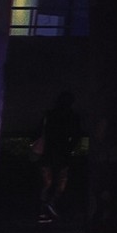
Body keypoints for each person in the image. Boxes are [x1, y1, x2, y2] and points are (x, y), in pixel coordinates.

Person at [30, 91, 80, 223]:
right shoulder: (72, 116)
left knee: (47, 182)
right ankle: (50, 205)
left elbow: (38, 131)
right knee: (59, 183)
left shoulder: (49, 115)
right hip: (61, 154)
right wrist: (69, 148)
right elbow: (76, 136)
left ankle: (44, 209)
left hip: (47, 153)